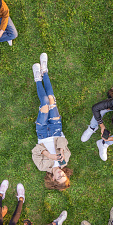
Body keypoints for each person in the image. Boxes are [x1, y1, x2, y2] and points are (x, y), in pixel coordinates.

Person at [31, 53, 73, 191]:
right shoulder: (64, 160)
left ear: (54, 179)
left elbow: (35, 150)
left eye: (60, 177)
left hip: (42, 131)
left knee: (44, 102)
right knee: (50, 99)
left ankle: (37, 78)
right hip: (55, 128)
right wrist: (60, 149)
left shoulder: (42, 167)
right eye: (64, 175)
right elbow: (63, 140)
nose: (61, 173)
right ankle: (44, 71)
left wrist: (48, 155)